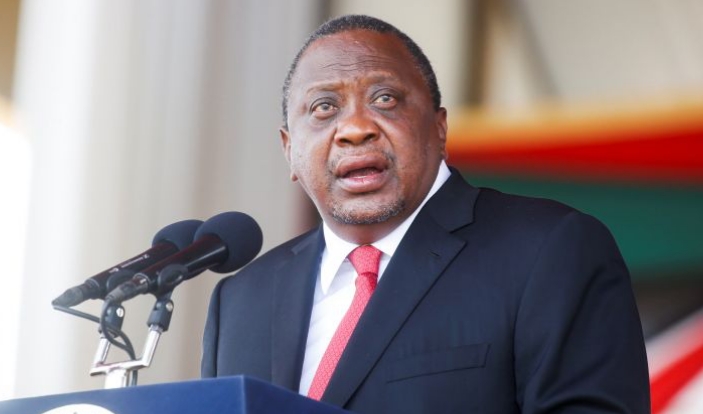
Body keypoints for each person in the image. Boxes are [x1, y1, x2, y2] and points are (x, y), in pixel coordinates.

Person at [201, 15, 650, 413]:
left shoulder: (550, 250)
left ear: (439, 128)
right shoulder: (240, 302)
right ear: (289, 150)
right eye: (323, 108)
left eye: (384, 99)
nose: (355, 128)